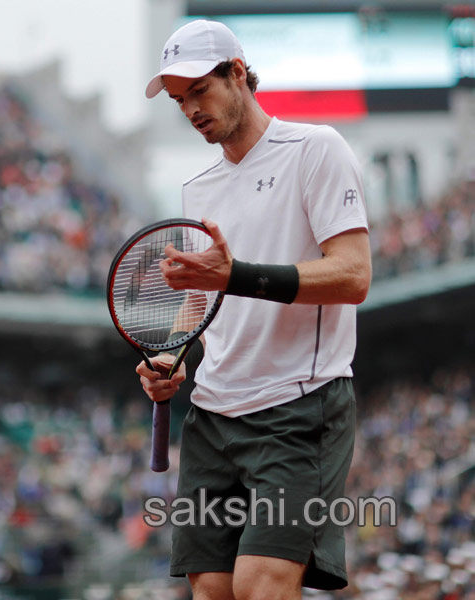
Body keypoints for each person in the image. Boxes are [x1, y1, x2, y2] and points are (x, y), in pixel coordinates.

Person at [135, 19, 372, 600]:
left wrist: (234, 275)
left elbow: (353, 275)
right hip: (214, 417)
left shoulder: (316, 149)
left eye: (198, 90)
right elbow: (201, 300)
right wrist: (172, 354)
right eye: (178, 100)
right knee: (214, 590)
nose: (190, 109)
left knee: (261, 587)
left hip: (300, 406)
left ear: (237, 73)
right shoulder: (198, 189)